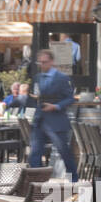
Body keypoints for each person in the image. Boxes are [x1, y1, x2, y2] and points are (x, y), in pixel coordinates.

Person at [27, 48, 78, 179]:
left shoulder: (62, 78)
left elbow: (70, 98)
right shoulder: (37, 77)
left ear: (52, 62)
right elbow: (36, 94)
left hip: (56, 121)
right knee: (35, 153)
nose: (42, 65)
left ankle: (74, 180)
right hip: (40, 120)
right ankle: (35, 182)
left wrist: (55, 106)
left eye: (45, 62)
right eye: (40, 62)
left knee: (64, 152)